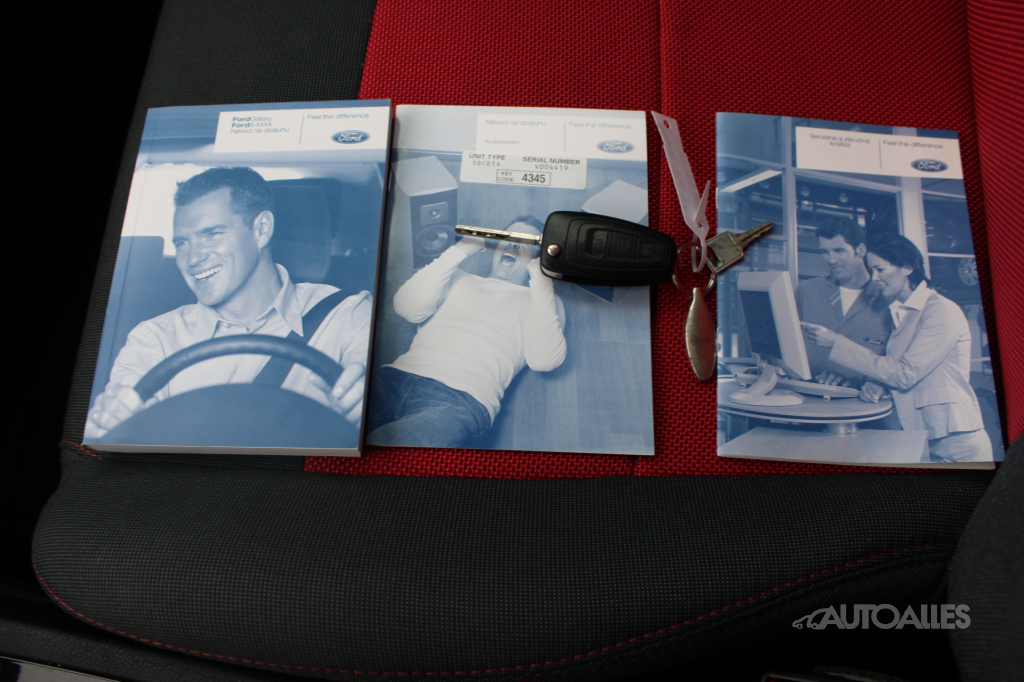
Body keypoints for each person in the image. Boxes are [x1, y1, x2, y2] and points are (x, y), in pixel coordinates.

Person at [85, 167, 371, 440]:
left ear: (261, 230)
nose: (192, 258)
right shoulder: (154, 338)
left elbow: (371, 386)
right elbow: (124, 411)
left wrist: (367, 402)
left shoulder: (347, 315)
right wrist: (111, 421)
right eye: (182, 243)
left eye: (211, 234)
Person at [367, 216, 567, 447]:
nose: (513, 244)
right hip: (393, 378)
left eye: (526, 242)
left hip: (459, 400)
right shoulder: (457, 276)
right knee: (340, 420)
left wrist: (542, 280)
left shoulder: (542, 300)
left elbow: (544, 361)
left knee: (386, 449)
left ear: (537, 257)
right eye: (508, 238)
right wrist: (461, 250)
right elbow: (407, 308)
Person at [802, 234, 992, 463]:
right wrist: (881, 387)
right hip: (924, 434)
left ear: (907, 267)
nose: (875, 278)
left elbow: (904, 374)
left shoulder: (941, 311)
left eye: (880, 269)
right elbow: (908, 369)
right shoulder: (903, 311)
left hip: (954, 441)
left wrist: (836, 343)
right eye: (871, 270)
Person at [795, 217, 892, 387]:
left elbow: (896, 367)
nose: (831, 260)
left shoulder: (888, 300)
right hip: (807, 395)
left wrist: (871, 385)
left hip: (860, 399)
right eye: (825, 252)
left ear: (860, 251)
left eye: (839, 251)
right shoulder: (806, 291)